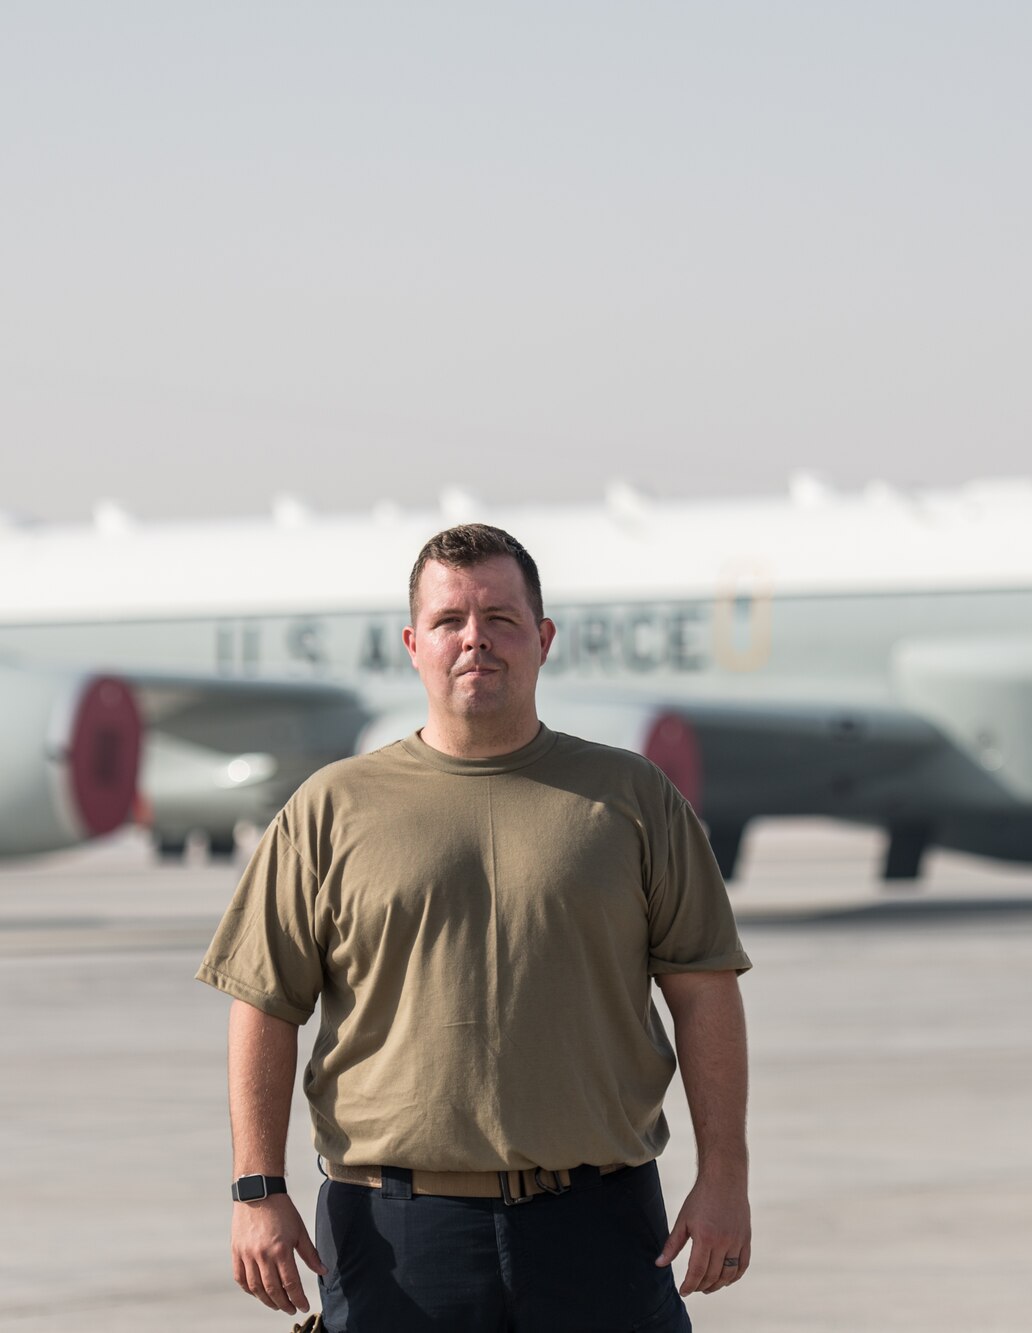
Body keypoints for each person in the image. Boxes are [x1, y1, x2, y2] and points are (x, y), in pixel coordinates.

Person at [197, 523, 751, 1331]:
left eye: (500, 619)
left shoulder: (633, 799)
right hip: (395, 1232)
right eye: (451, 619)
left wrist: (725, 1175)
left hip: (600, 1221)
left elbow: (705, 994)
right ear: (413, 642)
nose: (474, 640)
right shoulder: (331, 808)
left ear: (543, 638)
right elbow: (264, 1005)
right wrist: (257, 1188)